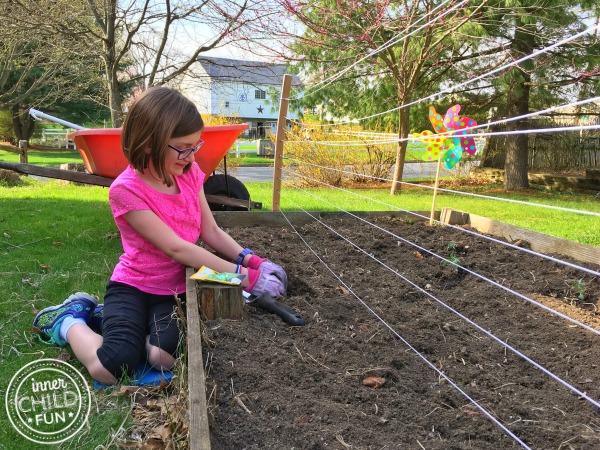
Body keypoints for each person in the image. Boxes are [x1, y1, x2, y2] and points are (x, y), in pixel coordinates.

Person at [32, 87, 287, 385]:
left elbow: (211, 231)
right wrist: (245, 278)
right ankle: (69, 320)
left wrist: (253, 260)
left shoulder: (189, 173)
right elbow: (177, 249)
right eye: (182, 147)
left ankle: (114, 322)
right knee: (112, 366)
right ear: (150, 143)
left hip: (175, 290)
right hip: (133, 286)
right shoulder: (126, 191)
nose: (191, 156)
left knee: (162, 358)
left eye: (196, 146)